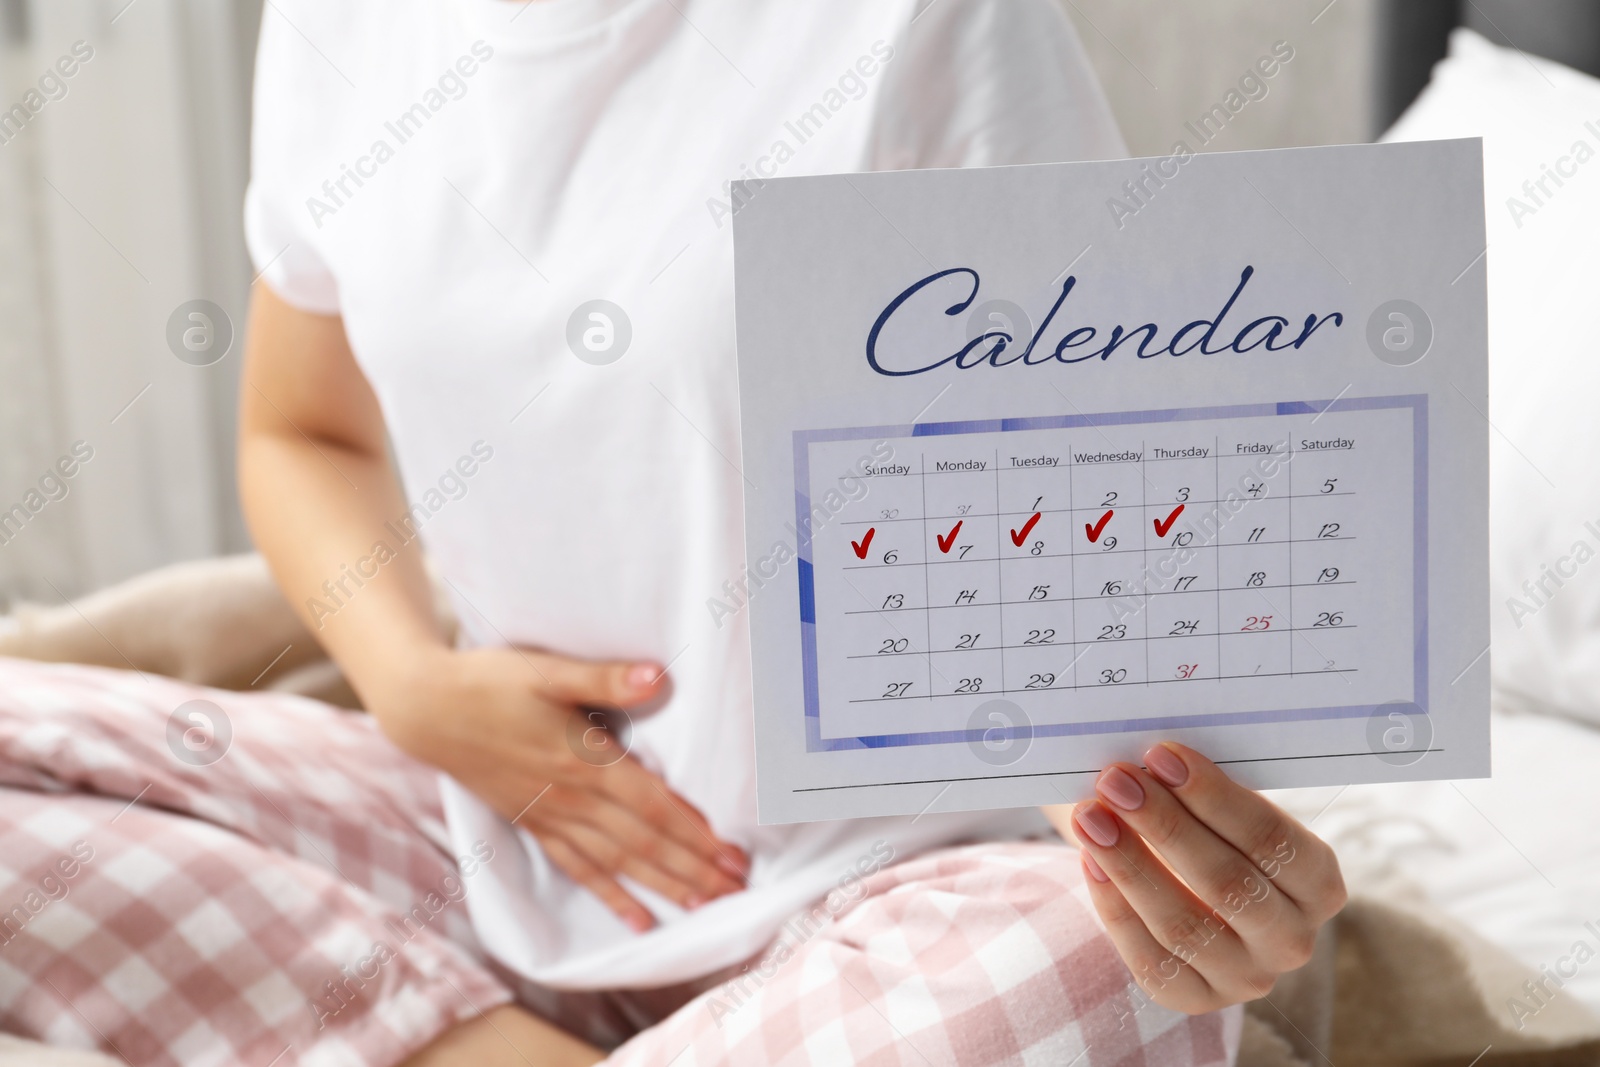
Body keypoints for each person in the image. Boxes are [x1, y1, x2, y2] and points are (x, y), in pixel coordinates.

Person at [0, 1, 1345, 1064]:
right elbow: (304, 433)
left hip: (894, 903)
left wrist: (1153, 836)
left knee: (1096, 966)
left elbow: (1067, 486)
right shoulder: (335, 26)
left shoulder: (931, 19)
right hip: (501, 841)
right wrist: (410, 686)